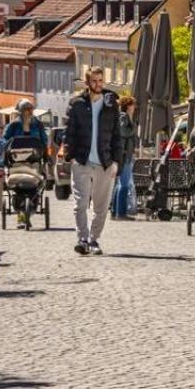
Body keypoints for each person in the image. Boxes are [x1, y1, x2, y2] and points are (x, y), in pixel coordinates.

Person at [65, 66, 123, 255]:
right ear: (87, 82)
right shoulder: (77, 104)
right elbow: (69, 133)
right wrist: (70, 156)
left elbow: (117, 135)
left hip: (105, 162)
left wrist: (116, 162)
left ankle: (94, 239)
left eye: (100, 80)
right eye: (94, 81)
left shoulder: (111, 103)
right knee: (80, 203)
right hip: (81, 161)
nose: (98, 84)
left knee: (102, 207)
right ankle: (82, 239)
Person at [112, 95, 139, 219]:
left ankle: (115, 211)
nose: (134, 107)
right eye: (133, 104)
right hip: (124, 154)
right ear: (128, 106)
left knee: (120, 184)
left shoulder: (123, 116)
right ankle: (121, 213)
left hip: (123, 154)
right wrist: (134, 130)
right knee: (124, 184)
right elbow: (123, 131)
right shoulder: (123, 116)